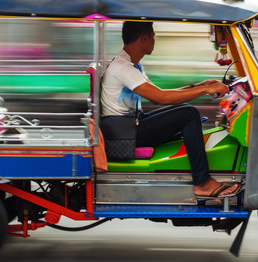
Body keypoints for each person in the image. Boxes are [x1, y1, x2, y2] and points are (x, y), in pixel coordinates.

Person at [100, 21, 241, 198]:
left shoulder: (130, 64)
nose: (153, 40)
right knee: (189, 114)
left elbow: (159, 94)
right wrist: (204, 90)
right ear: (144, 39)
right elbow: (161, 98)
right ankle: (202, 182)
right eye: (152, 37)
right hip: (125, 135)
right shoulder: (124, 68)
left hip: (129, 127)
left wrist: (199, 85)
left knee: (184, 109)